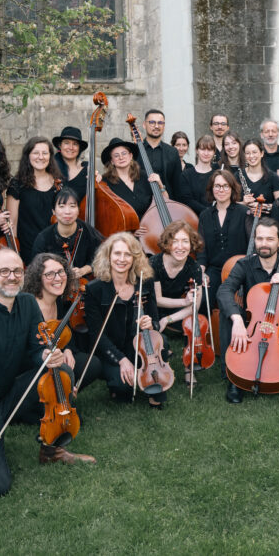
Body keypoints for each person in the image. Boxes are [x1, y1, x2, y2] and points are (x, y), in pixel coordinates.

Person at [0, 249, 95, 496]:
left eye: (16, 271)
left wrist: (45, 356)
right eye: (4, 271)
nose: (12, 277)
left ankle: (51, 450)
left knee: (61, 371)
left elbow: (36, 349)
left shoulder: (26, 303)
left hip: (7, 394)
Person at [217, 218, 279, 403]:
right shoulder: (244, 264)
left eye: (269, 239)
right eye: (260, 239)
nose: (264, 244)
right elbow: (224, 290)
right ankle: (233, 376)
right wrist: (237, 320)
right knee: (228, 315)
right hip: (252, 323)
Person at [84, 232, 168, 408]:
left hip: (139, 348)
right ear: (108, 256)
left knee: (163, 341)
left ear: (134, 258)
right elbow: (97, 336)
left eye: (127, 254)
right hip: (111, 349)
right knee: (123, 388)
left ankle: (151, 377)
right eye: (117, 253)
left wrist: (150, 324)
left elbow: (155, 322)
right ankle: (120, 380)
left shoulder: (144, 282)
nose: (122, 259)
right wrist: (121, 360)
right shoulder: (94, 289)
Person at [21, 252, 102, 394]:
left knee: (92, 364)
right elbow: (26, 352)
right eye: (50, 274)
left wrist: (67, 350)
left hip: (55, 356)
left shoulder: (57, 300)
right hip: (33, 366)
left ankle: (65, 392)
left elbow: (64, 328)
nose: (58, 278)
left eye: (60, 272)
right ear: (38, 278)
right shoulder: (29, 306)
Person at [149, 221, 206, 384]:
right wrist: (183, 302)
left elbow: (195, 306)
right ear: (167, 244)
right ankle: (157, 364)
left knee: (193, 322)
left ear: (192, 244)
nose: (180, 247)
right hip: (154, 307)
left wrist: (168, 320)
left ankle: (189, 367)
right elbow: (157, 300)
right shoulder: (154, 263)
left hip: (176, 311)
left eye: (185, 241)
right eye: (175, 241)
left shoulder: (194, 268)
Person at [6, 137, 63, 264]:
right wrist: (15, 253)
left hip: (55, 248)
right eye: (36, 153)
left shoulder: (58, 182)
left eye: (45, 153)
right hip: (28, 249)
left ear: (50, 156)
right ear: (28, 156)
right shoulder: (17, 184)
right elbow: (12, 223)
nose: (40, 157)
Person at [30, 187, 102, 285]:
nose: (67, 211)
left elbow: (100, 260)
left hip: (82, 286)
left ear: (78, 210)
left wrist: (83, 270)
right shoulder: (43, 238)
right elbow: (36, 270)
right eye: (62, 206)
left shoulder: (89, 233)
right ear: (53, 211)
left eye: (72, 206)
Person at [197, 170, 252, 294]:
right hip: (214, 270)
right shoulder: (205, 215)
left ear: (232, 188)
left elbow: (252, 245)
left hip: (239, 270)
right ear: (211, 189)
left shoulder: (244, 212)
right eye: (217, 186)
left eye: (225, 186)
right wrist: (201, 272)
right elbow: (201, 250)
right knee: (204, 300)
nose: (221, 190)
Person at [100, 137, 155, 219]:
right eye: (116, 155)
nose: (121, 157)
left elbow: (164, 200)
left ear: (130, 156)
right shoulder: (105, 182)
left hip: (150, 224)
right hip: (122, 226)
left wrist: (160, 185)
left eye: (124, 153)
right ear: (112, 161)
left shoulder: (145, 176)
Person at [137, 109, 182, 200]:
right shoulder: (135, 150)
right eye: (152, 122)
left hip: (166, 203)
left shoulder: (172, 152)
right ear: (144, 125)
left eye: (160, 123)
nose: (156, 126)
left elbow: (177, 185)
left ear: (164, 126)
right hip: (140, 203)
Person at [178, 135, 217, 215]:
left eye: (209, 150)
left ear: (214, 152)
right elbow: (187, 200)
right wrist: (207, 211)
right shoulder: (186, 175)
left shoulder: (218, 175)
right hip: (192, 218)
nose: (206, 153)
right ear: (197, 150)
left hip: (215, 218)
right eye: (203, 149)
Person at [240, 138, 279, 205]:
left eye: (254, 152)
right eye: (247, 153)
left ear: (262, 153)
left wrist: (264, 206)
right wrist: (243, 203)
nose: (251, 156)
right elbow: (230, 205)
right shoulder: (238, 176)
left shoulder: (273, 177)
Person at [52, 126, 89, 198]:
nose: (71, 147)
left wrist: (98, 179)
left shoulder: (87, 169)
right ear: (60, 145)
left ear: (79, 148)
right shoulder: (51, 168)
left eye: (75, 144)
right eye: (66, 143)